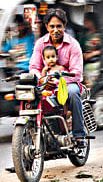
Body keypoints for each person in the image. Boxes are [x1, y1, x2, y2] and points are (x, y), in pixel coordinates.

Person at [29, 8, 86, 148]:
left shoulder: (73, 45)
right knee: (29, 98)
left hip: (68, 83)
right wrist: (41, 79)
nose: (55, 30)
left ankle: (79, 136)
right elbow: (34, 67)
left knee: (72, 93)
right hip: (45, 83)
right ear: (47, 27)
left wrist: (57, 81)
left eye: (59, 26)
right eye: (52, 26)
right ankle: (24, 147)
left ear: (64, 27)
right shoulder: (40, 44)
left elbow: (77, 73)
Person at [80, 12, 101, 88]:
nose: (84, 23)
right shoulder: (83, 35)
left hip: (97, 63)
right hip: (85, 64)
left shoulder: (100, 34)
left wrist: (93, 54)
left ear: (92, 21)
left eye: (86, 21)